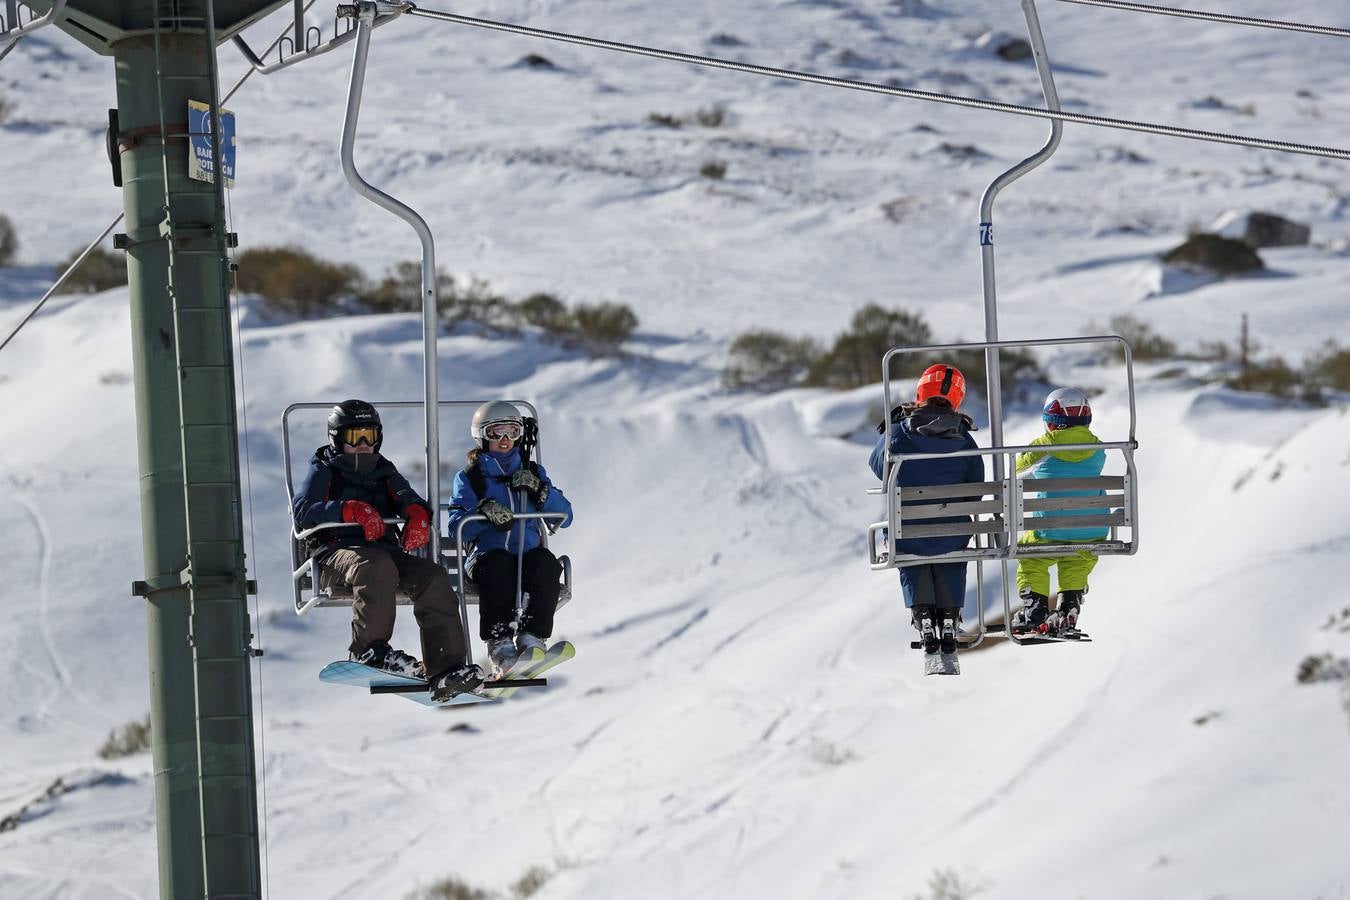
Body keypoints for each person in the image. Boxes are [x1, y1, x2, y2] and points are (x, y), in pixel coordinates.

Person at [293, 399, 482, 698]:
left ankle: (447, 668)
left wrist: (418, 515)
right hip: (335, 555)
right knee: (374, 565)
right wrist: (348, 510)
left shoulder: (383, 470)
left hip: (383, 553)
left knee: (432, 575)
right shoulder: (324, 468)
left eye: (370, 435)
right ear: (337, 438)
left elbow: (408, 496)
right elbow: (304, 509)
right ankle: (368, 650)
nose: (364, 444)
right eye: (356, 437)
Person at [446, 401, 574, 674]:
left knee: (546, 563)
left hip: (526, 557)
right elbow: (456, 528)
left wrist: (540, 492)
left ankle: (532, 637)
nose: (505, 440)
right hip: (486, 558)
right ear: (482, 436)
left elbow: (565, 516)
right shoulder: (471, 478)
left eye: (512, 432)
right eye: (496, 433)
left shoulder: (534, 472)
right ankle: (500, 643)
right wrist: (482, 513)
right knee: (499, 565)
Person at [869, 364, 984, 655]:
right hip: (952, 534)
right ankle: (948, 614)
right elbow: (978, 487)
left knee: (910, 551)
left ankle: (923, 615)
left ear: (921, 391)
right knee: (952, 549)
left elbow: (877, 466)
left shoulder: (898, 433)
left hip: (907, 533)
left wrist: (889, 430)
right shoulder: (964, 439)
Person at [1011, 387, 1108, 634]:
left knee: (1032, 556)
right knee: (1077, 557)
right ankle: (1069, 605)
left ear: (1051, 421)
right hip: (1092, 531)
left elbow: (1015, 470)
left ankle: (1036, 608)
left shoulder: (1044, 448)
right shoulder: (1098, 449)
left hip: (1050, 531)